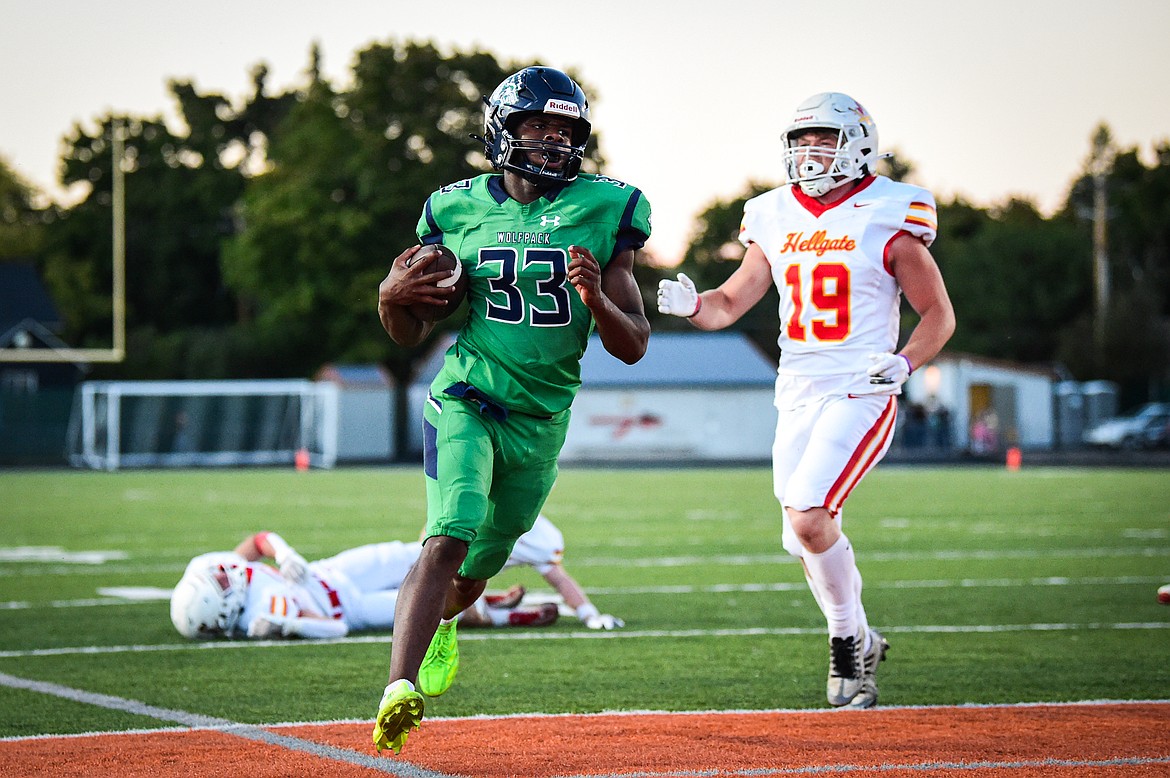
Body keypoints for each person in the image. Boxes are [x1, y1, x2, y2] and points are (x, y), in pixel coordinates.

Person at [372, 64, 651, 755]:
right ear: (503, 129)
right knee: (449, 532)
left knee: (473, 575)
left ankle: (444, 624)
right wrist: (389, 301)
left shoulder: (606, 206)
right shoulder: (454, 207)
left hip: (540, 419)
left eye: (565, 130)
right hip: (468, 393)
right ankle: (396, 691)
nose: (552, 141)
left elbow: (635, 345)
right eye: (538, 125)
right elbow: (413, 330)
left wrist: (598, 301)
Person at [658, 92, 955, 709]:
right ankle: (863, 635)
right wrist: (694, 306)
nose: (808, 151)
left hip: (861, 386)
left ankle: (848, 641)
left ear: (860, 143)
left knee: (809, 514)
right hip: (797, 388)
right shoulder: (771, 214)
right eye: (800, 141)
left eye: (823, 138)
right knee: (803, 537)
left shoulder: (891, 211)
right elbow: (730, 303)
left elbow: (938, 316)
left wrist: (902, 364)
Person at [169, 516, 622, 640]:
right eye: (221, 585)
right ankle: (502, 615)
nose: (227, 575)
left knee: (420, 556)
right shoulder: (258, 614)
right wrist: (288, 625)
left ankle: (491, 596)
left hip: (335, 571)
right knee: (426, 609)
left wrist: (283, 552)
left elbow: (257, 541)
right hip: (349, 606)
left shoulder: (234, 578)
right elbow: (335, 627)